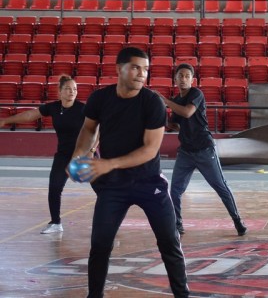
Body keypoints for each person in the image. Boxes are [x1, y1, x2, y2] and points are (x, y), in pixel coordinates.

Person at [71, 47, 189, 298]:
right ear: (119, 69)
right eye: (136, 67)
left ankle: (182, 295)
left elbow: (150, 150)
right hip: (113, 185)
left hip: (149, 182)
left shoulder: (152, 102)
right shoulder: (100, 99)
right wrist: (79, 154)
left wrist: (109, 164)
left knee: (169, 242)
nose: (141, 74)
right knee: (100, 245)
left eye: (145, 69)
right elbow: (89, 128)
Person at [160, 63, 247, 236]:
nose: (183, 79)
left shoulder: (196, 94)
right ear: (175, 79)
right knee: (175, 190)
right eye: (180, 76)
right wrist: (161, 116)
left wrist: (166, 101)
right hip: (186, 151)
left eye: (187, 76)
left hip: (204, 150)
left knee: (220, 187)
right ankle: (178, 224)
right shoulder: (176, 101)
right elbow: (176, 125)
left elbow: (187, 112)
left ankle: (237, 220)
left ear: (192, 80)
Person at [0, 75, 85, 234]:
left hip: (84, 153)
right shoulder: (53, 107)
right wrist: (6, 120)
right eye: (68, 89)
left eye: (74, 89)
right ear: (60, 92)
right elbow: (30, 115)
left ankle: (110, 221)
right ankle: (56, 223)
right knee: (54, 187)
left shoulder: (83, 109)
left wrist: (92, 151)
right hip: (63, 155)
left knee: (102, 188)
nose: (72, 92)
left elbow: (97, 129)